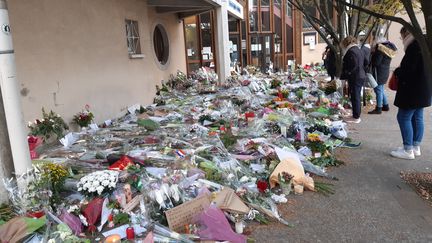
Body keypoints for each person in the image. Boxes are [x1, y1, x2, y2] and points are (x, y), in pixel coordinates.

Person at [390, 27, 431, 160]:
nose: (401, 40)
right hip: (423, 88)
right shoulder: (424, 44)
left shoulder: (414, 46)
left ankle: (408, 149)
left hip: (412, 90)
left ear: (406, 33)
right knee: (417, 117)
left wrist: (397, 72)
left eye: (401, 36)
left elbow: (409, 70)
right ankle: (415, 147)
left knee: (403, 117)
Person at [340, 36, 367, 123]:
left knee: (355, 96)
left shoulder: (351, 51)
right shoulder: (359, 50)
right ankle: (355, 115)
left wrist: (347, 73)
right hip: (360, 75)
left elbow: (353, 65)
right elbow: (366, 62)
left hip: (355, 76)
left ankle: (356, 117)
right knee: (356, 95)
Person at [368, 38, 397, 114]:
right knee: (381, 89)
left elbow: (376, 62)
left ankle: (378, 108)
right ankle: (385, 105)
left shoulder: (380, 49)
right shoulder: (388, 49)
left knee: (378, 90)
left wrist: (372, 54)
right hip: (385, 71)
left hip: (379, 72)